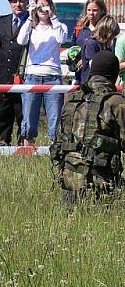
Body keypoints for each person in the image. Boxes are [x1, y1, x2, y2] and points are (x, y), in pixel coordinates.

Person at [51, 51, 125, 203]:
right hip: (103, 185)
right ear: (114, 74)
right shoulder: (115, 102)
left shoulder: (72, 100)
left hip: (69, 183)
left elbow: (59, 140)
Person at [17, 0, 67, 146]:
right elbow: (20, 40)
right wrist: (31, 17)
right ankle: (28, 151)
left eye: (45, 5)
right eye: (40, 6)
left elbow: (62, 39)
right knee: (29, 118)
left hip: (53, 76)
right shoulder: (32, 27)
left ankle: (54, 150)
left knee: (54, 118)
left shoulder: (59, 26)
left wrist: (52, 17)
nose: (42, 10)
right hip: (32, 75)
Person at [0, 0, 29, 146]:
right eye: (15, 2)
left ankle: (23, 147)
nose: (18, 4)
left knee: (22, 113)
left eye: (21, 1)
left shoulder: (31, 21)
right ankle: (1, 145)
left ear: (27, 3)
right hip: (3, 76)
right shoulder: (2, 21)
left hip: (23, 76)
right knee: (2, 114)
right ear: (10, 4)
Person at [79, 14, 118, 84]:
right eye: (112, 36)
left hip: (105, 84)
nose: (112, 39)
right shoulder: (91, 44)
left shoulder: (107, 46)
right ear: (106, 33)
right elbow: (94, 67)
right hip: (92, 85)